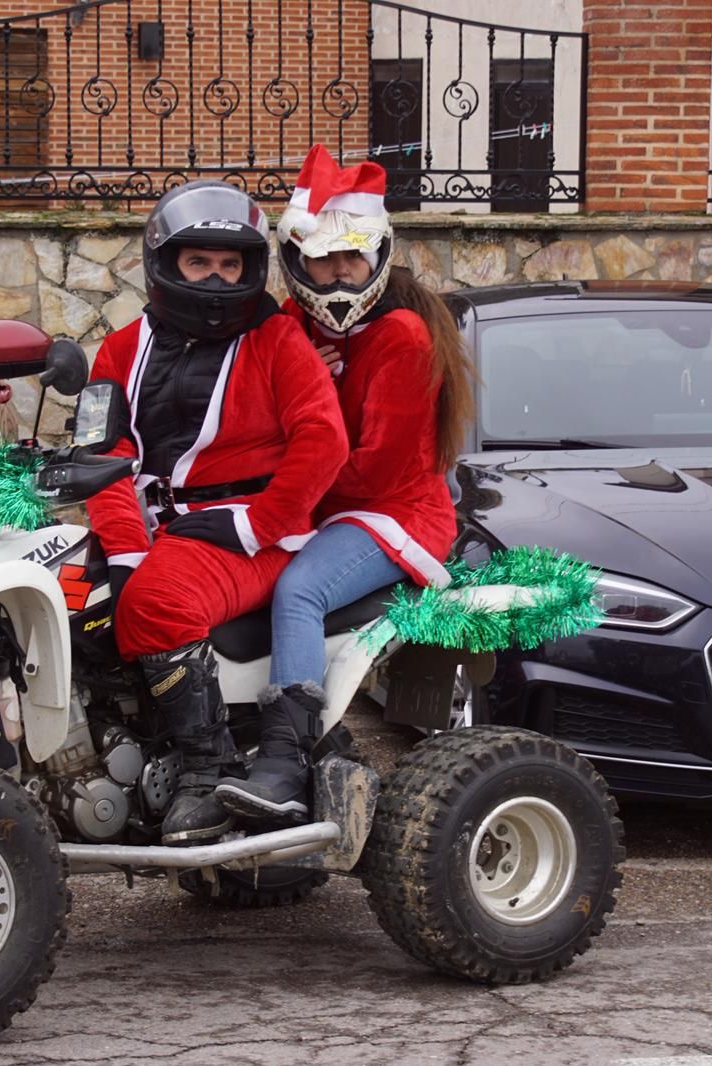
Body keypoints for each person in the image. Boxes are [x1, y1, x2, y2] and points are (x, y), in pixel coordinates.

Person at [215, 144, 476, 823]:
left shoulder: (401, 337)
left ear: (375, 256)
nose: (337, 274)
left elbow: (373, 471)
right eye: (323, 260)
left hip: (390, 515)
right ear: (298, 261)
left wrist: (315, 408)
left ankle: (285, 755)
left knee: (299, 591)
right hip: (324, 508)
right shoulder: (291, 324)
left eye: (350, 259)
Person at [86, 180, 348, 844]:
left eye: (230, 265)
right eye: (199, 262)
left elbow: (324, 443)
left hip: (251, 531)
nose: (216, 278)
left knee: (156, 603)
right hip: (155, 525)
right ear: (165, 264)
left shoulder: (278, 341)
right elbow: (105, 452)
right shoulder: (121, 348)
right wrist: (122, 549)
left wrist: (256, 524)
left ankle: (208, 770)